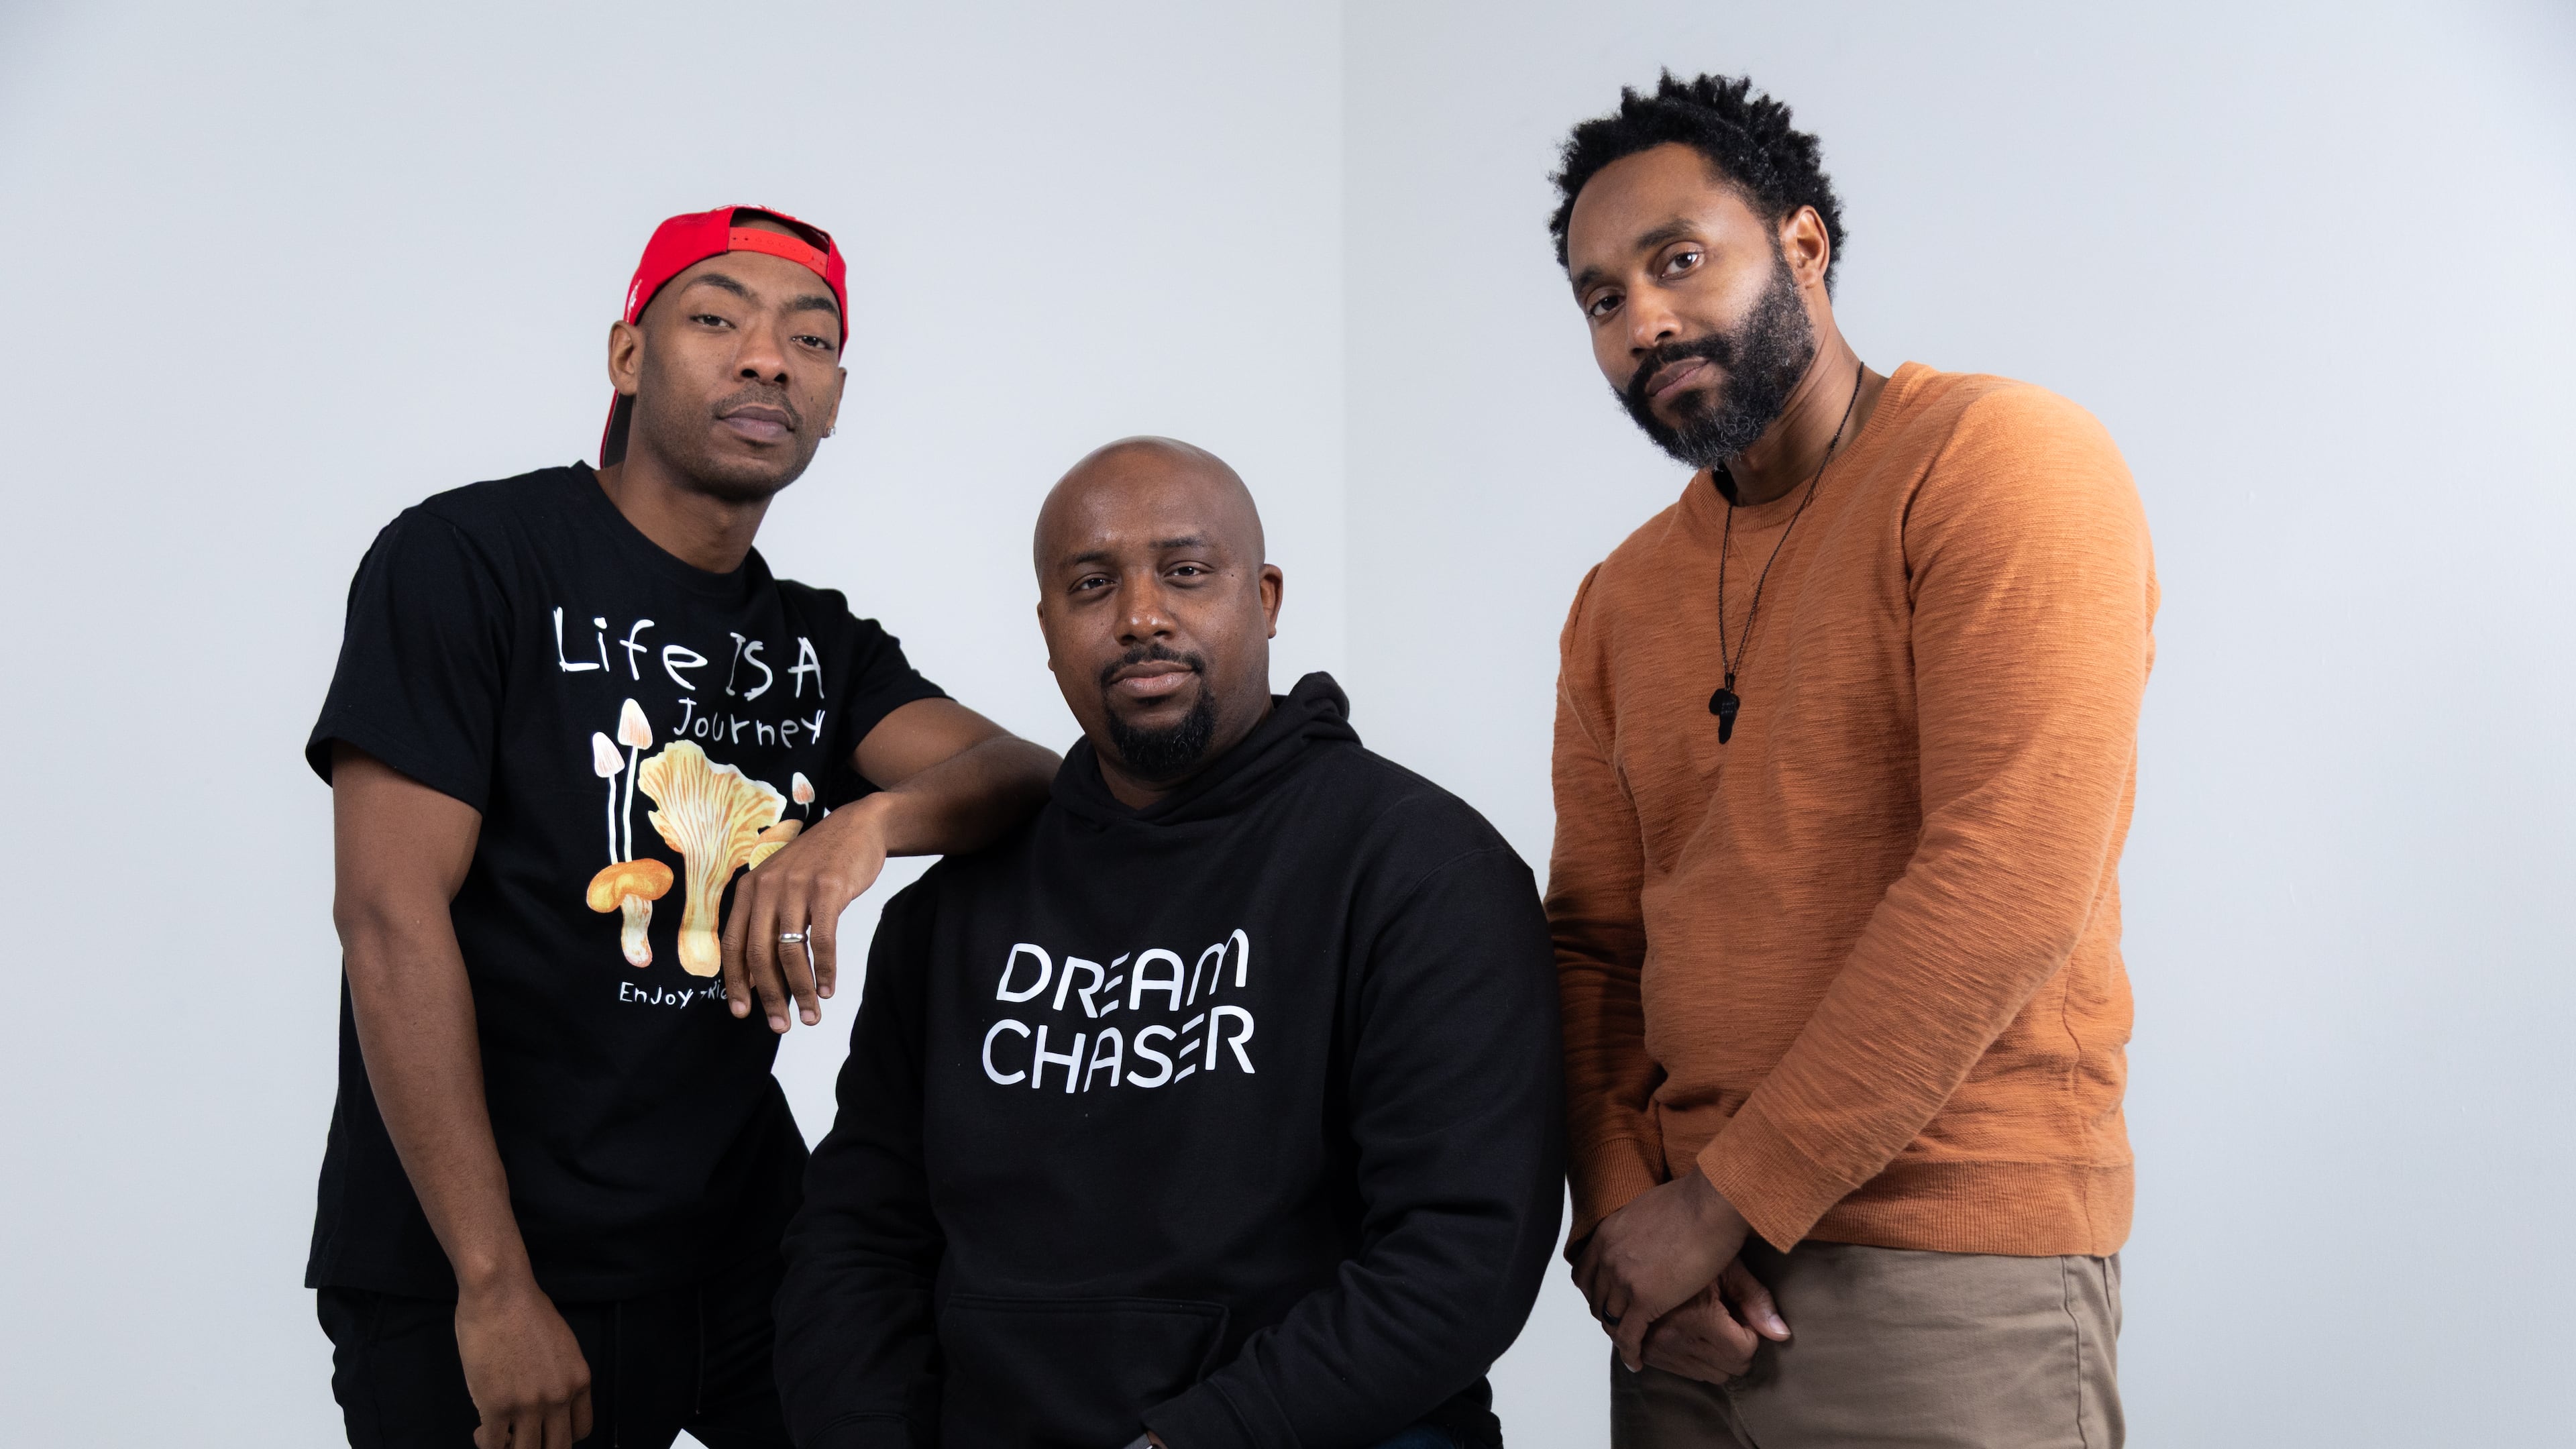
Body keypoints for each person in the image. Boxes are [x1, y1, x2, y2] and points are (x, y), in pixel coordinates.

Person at [307, 205, 1059, 1449]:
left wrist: (861, 825)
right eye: (716, 319)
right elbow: (386, 918)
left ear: (833, 400)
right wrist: (495, 1289)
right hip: (479, 1268)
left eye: (809, 342)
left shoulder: (818, 644)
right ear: (627, 357)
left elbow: (1023, 775)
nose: (768, 359)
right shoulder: (470, 559)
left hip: (742, 1257)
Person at [1543, 75, 2156, 1446]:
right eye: (1601, 300)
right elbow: (1591, 947)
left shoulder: (1999, 460)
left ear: (1803, 246)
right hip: (1676, 1303)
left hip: (1945, 1261)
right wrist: (1627, 1223)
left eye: (1677, 260)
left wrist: (1721, 1206)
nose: (1642, 320)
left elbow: (2006, 878)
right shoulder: (1618, 599)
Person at [773, 437, 1564, 1449]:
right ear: (1048, 630)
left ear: (1266, 599)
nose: (1142, 616)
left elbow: (1463, 1257)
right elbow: (859, 1238)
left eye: (1187, 573)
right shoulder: (955, 913)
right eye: (1092, 585)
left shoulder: (1420, 870)